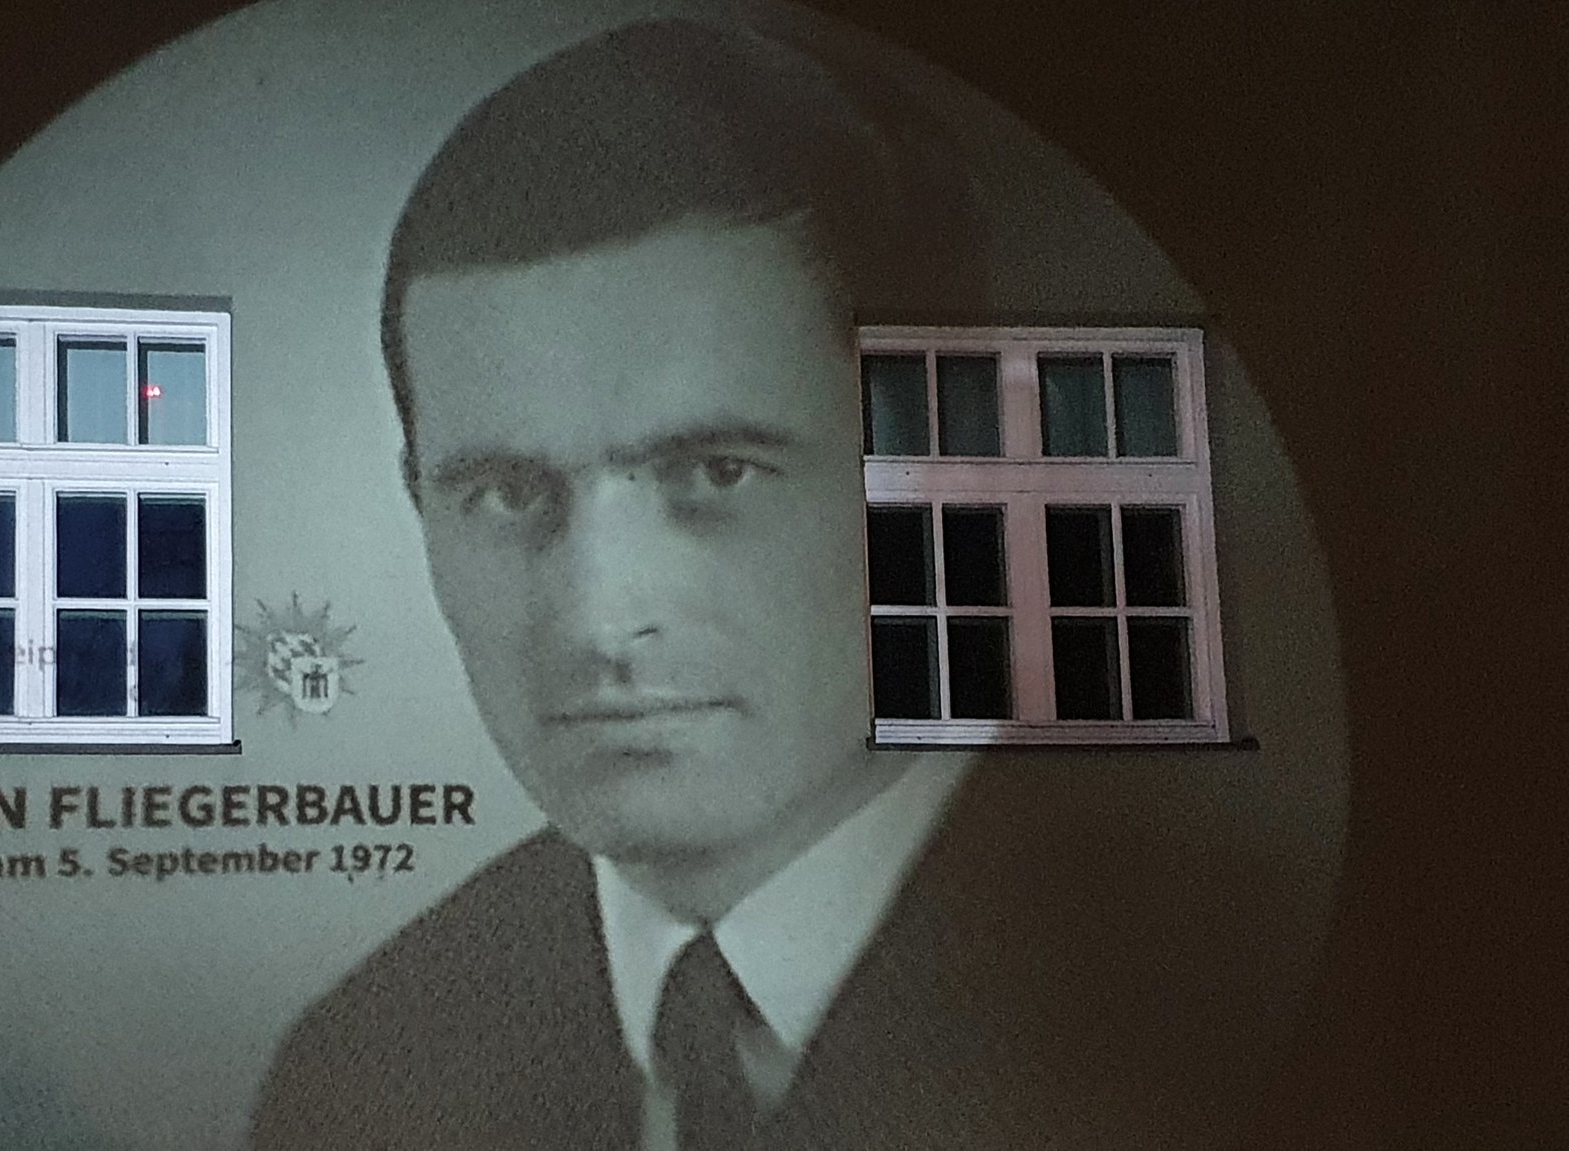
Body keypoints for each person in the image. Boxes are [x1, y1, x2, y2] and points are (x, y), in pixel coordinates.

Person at [253, 18, 1268, 1150]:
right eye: (502, 493)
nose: (599, 618)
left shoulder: (1224, 994)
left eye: (713, 472)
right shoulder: (358, 1070)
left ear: (942, 469)